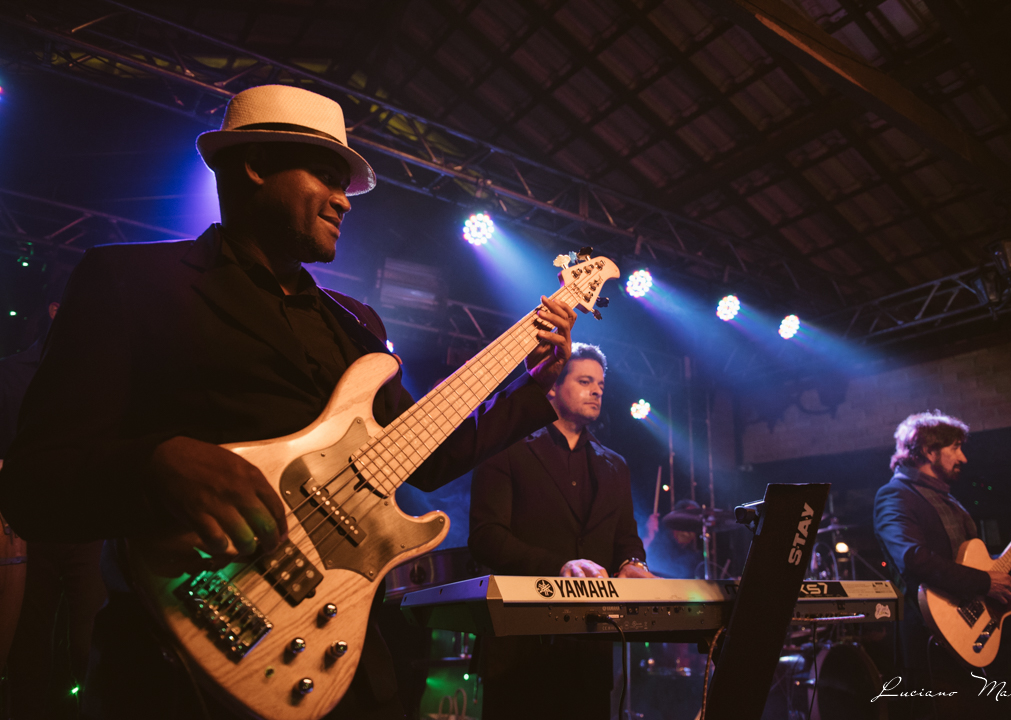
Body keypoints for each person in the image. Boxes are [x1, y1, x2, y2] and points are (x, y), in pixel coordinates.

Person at [0, 84, 576, 720]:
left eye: (345, 187)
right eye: (326, 176)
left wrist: (535, 388)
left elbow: (429, 456)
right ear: (256, 165)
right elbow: (32, 484)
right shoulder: (128, 281)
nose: (344, 201)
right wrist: (156, 463)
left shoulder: (356, 326)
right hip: (174, 667)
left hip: (338, 661)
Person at [469, 343, 652, 720]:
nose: (597, 391)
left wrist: (632, 562)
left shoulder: (616, 465)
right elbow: (486, 537)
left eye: (600, 384)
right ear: (552, 385)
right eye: (585, 381)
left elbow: (626, 537)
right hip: (518, 650)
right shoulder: (505, 448)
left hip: (590, 652)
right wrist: (559, 566)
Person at [873, 411, 1011, 718]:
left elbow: (988, 571)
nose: (964, 458)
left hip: (971, 636)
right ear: (929, 450)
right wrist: (985, 582)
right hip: (932, 642)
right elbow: (912, 558)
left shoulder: (947, 500)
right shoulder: (895, 495)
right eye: (955, 447)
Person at [1, 295, 108, 720]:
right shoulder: (9, 374)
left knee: (86, 644)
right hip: (29, 532)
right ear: (55, 309)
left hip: (87, 530)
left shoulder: (95, 377)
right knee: (30, 649)